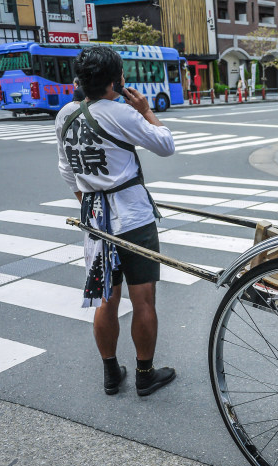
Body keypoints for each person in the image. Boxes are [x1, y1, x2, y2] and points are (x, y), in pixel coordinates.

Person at [55, 46, 177, 397]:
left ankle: (111, 373)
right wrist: (146, 110)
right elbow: (165, 144)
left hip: (95, 222)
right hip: (134, 221)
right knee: (143, 300)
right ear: (116, 81)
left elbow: (66, 171)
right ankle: (145, 374)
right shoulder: (122, 113)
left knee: (106, 299)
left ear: (80, 80)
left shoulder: (65, 115)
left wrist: (92, 203)